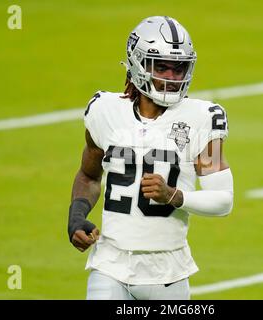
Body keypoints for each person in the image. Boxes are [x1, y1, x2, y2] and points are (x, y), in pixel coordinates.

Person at [68, 16, 234, 300]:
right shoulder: (104, 111)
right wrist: (77, 215)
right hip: (110, 265)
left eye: (179, 68)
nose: (172, 77)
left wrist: (174, 195)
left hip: (167, 273)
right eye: (163, 67)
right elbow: (89, 175)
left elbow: (223, 200)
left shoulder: (202, 118)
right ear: (138, 64)